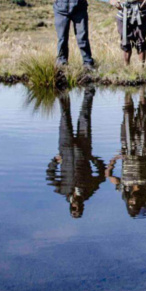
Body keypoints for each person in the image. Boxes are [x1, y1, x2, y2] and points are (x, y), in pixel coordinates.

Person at [106, 90, 146, 218]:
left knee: (127, 114)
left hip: (127, 148)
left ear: (128, 202)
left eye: (131, 203)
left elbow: (108, 175)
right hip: (144, 148)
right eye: (136, 203)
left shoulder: (123, 188)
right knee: (143, 114)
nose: (134, 201)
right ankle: (142, 90)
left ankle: (128, 88)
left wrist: (114, 159)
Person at [46, 88, 105, 219]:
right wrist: (92, 159)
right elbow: (102, 175)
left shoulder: (62, 190)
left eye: (73, 209)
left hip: (65, 148)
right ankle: (89, 89)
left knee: (65, 116)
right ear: (82, 207)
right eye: (77, 209)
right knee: (85, 116)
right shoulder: (89, 191)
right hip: (84, 148)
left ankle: (62, 89)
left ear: (70, 206)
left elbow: (50, 176)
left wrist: (54, 162)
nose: (76, 206)